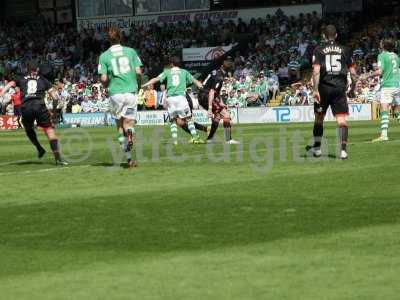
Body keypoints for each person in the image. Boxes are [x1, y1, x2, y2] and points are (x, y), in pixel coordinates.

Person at [306, 25, 358, 160]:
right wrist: (353, 88)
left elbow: (316, 71)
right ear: (336, 35)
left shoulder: (318, 50)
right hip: (340, 88)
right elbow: (353, 73)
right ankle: (343, 151)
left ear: (324, 36)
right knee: (341, 120)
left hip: (323, 88)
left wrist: (315, 90)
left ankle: (317, 148)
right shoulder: (346, 50)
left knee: (319, 119)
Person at [0, 62, 67, 165]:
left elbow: (10, 84)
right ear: (37, 70)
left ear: (28, 69)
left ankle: (39, 148)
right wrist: (53, 112)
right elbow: (55, 97)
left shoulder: (21, 78)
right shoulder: (43, 79)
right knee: (49, 131)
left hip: (26, 107)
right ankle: (58, 158)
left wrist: (2, 93)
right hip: (39, 106)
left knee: (28, 129)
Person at [98, 27, 143, 168]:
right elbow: (139, 71)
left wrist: (105, 84)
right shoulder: (130, 51)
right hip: (130, 92)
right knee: (129, 124)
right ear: (120, 38)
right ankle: (130, 133)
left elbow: (104, 78)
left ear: (108, 40)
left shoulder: (104, 56)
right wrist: (138, 85)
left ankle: (129, 159)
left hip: (115, 94)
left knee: (119, 127)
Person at [142, 56, 204, 145]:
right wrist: (202, 87)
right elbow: (195, 81)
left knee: (173, 120)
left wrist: (145, 84)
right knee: (188, 119)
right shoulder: (184, 72)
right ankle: (195, 137)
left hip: (170, 98)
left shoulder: (167, 72)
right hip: (180, 98)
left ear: (171, 64)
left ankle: (175, 141)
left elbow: (156, 79)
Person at [364, 38, 400, 142]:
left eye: (381, 43)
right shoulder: (396, 56)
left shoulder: (382, 55)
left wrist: (367, 75)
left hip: (388, 85)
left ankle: (384, 135)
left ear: (383, 46)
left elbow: (380, 71)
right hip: (398, 84)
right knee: (397, 110)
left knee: (384, 109)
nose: (379, 44)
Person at [198, 56, 240, 144]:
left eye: (230, 61)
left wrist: (221, 103)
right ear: (223, 64)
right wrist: (209, 108)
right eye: (228, 61)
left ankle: (210, 139)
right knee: (226, 114)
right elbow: (212, 92)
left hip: (202, 95)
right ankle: (229, 140)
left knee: (217, 116)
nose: (230, 63)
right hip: (206, 96)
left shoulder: (217, 73)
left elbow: (216, 91)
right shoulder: (219, 76)